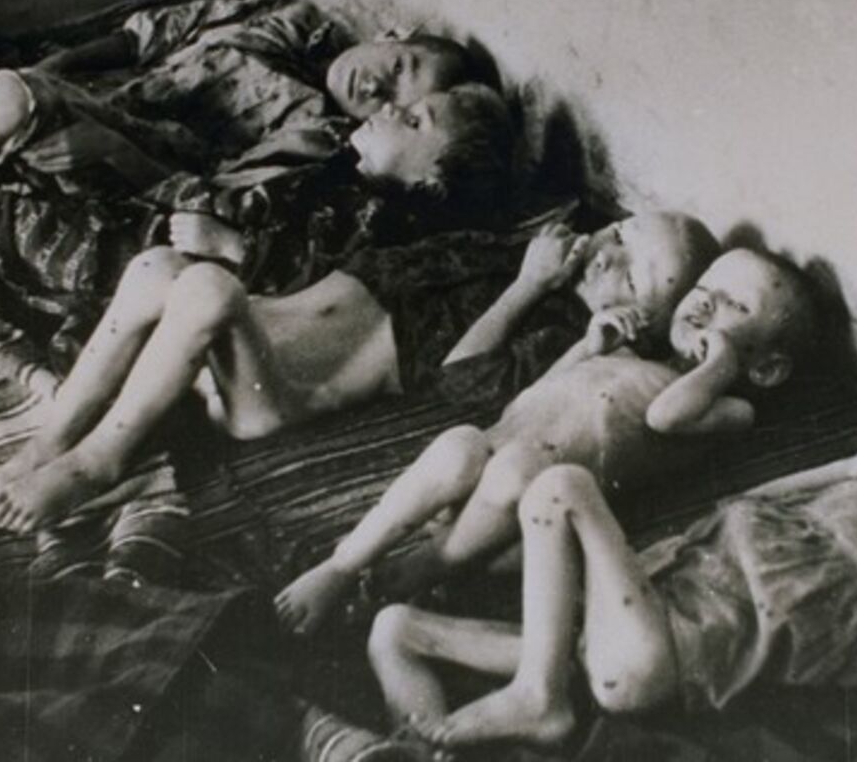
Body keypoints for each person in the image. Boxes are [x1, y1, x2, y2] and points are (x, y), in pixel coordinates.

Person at [366, 389, 857, 750]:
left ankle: (539, 696)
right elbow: (746, 505)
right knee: (394, 629)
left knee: (561, 489)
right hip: (617, 624)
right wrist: (850, 469)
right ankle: (424, 743)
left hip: (671, 653)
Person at [0, 212, 712, 536]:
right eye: (620, 233)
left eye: (632, 273)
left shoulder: (554, 333)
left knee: (206, 291)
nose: (606, 254)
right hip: (244, 330)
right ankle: (44, 442)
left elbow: (459, 382)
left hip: (274, 396)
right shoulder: (506, 248)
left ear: (642, 319)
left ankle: (96, 461)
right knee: (159, 267)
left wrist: (526, 286)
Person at [274, 243, 820, 635]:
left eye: (735, 306)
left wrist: (719, 364)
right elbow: (538, 393)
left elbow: (664, 416)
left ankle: (412, 572)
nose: (704, 304)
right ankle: (343, 564)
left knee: (517, 472)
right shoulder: (633, 354)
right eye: (703, 289)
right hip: (483, 462)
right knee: (459, 442)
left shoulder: (731, 408)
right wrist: (587, 347)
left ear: (767, 369)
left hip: (515, 524)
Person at [0, 0, 491, 323]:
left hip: (116, 163)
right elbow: (145, 36)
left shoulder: (320, 138)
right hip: (88, 97)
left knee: (4, 114)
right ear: (394, 34)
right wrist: (58, 69)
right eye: (398, 69)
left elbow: (209, 190)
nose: (374, 92)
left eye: (395, 102)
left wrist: (110, 146)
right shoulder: (287, 19)